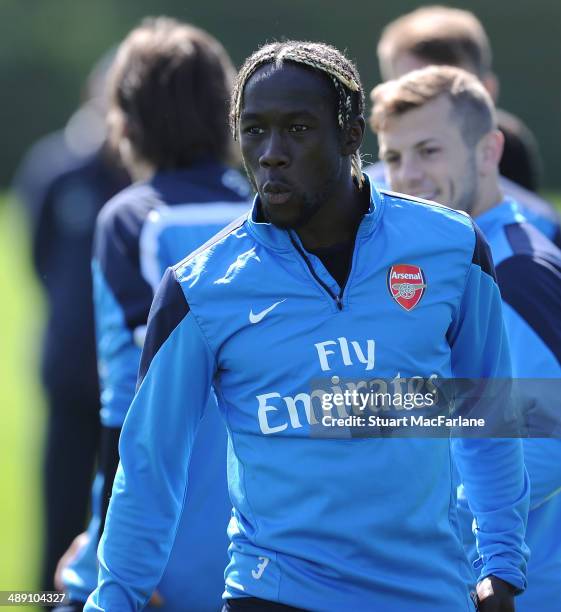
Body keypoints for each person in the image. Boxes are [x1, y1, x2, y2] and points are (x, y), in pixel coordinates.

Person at [85, 40, 529, 612]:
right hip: (273, 594)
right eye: (254, 130)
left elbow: (489, 410)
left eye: (297, 128)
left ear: (350, 135)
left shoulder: (451, 247)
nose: (270, 153)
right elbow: (149, 468)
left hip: (429, 594)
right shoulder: (200, 287)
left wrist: (500, 563)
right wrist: (111, 600)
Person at [55, 18, 250, 611]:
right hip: (262, 534)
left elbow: (136, 405)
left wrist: (103, 554)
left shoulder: (133, 220)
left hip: (161, 531)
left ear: (127, 122)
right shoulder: (263, 211)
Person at [371, 64, 561, 612]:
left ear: (488, 151)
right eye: (393, 157)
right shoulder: (449, 259)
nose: (407, 175)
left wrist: (402, 525)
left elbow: (540, 441)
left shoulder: (518, 269)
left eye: (429, 152)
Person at [12, 52, 129, 593]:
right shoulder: (56, 168)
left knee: (124, 512)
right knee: (60, 509)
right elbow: (38, 257)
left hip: (131, 379)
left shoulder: (142, 172)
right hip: (70, 370)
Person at [367, 5, 561, 246]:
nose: (410, 174)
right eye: (412, 88)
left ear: (486, 93)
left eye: (450, 89)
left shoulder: (540, 230)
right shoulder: (358, 210)